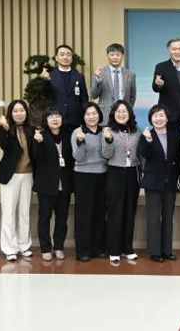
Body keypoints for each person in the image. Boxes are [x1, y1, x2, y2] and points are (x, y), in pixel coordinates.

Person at [138, 105, 180, 263]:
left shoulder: (175, 136)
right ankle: (155, 251)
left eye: (161, 115)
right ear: (151, 119)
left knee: (168, 217)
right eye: (155, 116)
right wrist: (148, 141)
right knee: (153, 218)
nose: (159, 119)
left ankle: (167, 250)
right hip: (153, 182)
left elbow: (179, 158)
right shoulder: (146, 135)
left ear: (167, 118)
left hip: (170, 181)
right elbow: (144, 154)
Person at [31, 107, 74, 261]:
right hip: (46, 185)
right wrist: (38, 143)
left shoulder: (68, 136)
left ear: (62, 119)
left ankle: (59, 247)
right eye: (51, 117)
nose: (55, 119)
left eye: (57, 116)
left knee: (62, 219)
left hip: (65, 184)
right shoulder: (40, 136)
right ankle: (45, 248)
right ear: (46, 120)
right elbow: (35, 159)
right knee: (44, 218)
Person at [102, 100, 142, 263]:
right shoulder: (108, 130)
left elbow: (140, 154)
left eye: (124, 111)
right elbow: (106, 154)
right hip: (115, 172)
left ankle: (127, 248)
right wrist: (108, 140)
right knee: (115, 212)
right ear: (113, 114)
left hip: (132, 173)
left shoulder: (137, 131)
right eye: (118, 111)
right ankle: (114, 249)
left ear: (129, 114)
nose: (121, 114)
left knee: (130, 211)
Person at [0, 99, 34, 261]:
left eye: (22, 110)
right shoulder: (4, 129)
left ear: (26, 112)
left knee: (24, 212)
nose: (19, 113)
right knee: (9, 212)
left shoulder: (31, 129)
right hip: (11, 175)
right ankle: (9, 248)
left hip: (28, 175)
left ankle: (24, 245)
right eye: (15, 111)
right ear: (10, 113)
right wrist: (7, 129)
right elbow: (7, 147)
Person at [71, 102, 108, 262]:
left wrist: (108, 140)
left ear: (99, 115)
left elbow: (108, 154)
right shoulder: (78, 132)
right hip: (83, 176)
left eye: (94, 113)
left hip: (102, 175)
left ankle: (98, 248)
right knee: (84, 214)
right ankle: (83, 250)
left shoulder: (105, 131)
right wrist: (80, 142)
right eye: (88, 114)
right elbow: (78, 157)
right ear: (83, 116)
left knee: (100, 213)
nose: (91, 117)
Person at [152, 38, 180, 130]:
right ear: (169, 50)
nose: (177, 52)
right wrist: (159, 84)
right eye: (174, 49)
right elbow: (155, 88)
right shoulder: (161, 67)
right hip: (168, 114)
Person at [41, 44, 89, 128]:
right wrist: (46, 81)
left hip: (75, 119)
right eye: (62, 54)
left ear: (72, 58)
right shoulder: (50, 76)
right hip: (56, 118)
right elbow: (45, 95)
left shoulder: (79, 76)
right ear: (56, 58)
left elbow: (84, 98)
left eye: (68, 55)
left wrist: (84, 117)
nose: (65, 57)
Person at [90, 43, 137, 123]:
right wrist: (97, 79)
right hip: (105, 116)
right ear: (107, 56)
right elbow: (94, 95)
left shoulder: (130, 75)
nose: (115, 57)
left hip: (123, 116)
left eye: (118, 55)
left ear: (122, 56)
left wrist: (126, 110)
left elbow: (132, 97)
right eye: (112, 55)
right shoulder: (100, 73)